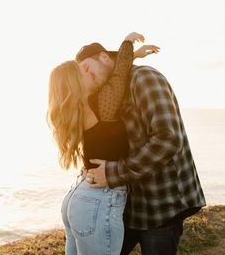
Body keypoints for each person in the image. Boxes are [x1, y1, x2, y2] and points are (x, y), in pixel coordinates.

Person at [75, 39, 206, 255]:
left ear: (105, 57)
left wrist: (113, 172)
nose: (87, 77)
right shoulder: (108, 94)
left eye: (88, 68)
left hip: (161, 206)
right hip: (127, 206)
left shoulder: (145, 78)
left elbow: (167, 139)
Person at [47, 32, 160, 255]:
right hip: (98, 200)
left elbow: (111, 73)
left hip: (79, 197)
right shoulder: (103, 105)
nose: (88, 73)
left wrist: (134, 55)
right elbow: (117, 76)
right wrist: (127, 44)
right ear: (76, 84)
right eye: (82, 72)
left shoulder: (79, 109)